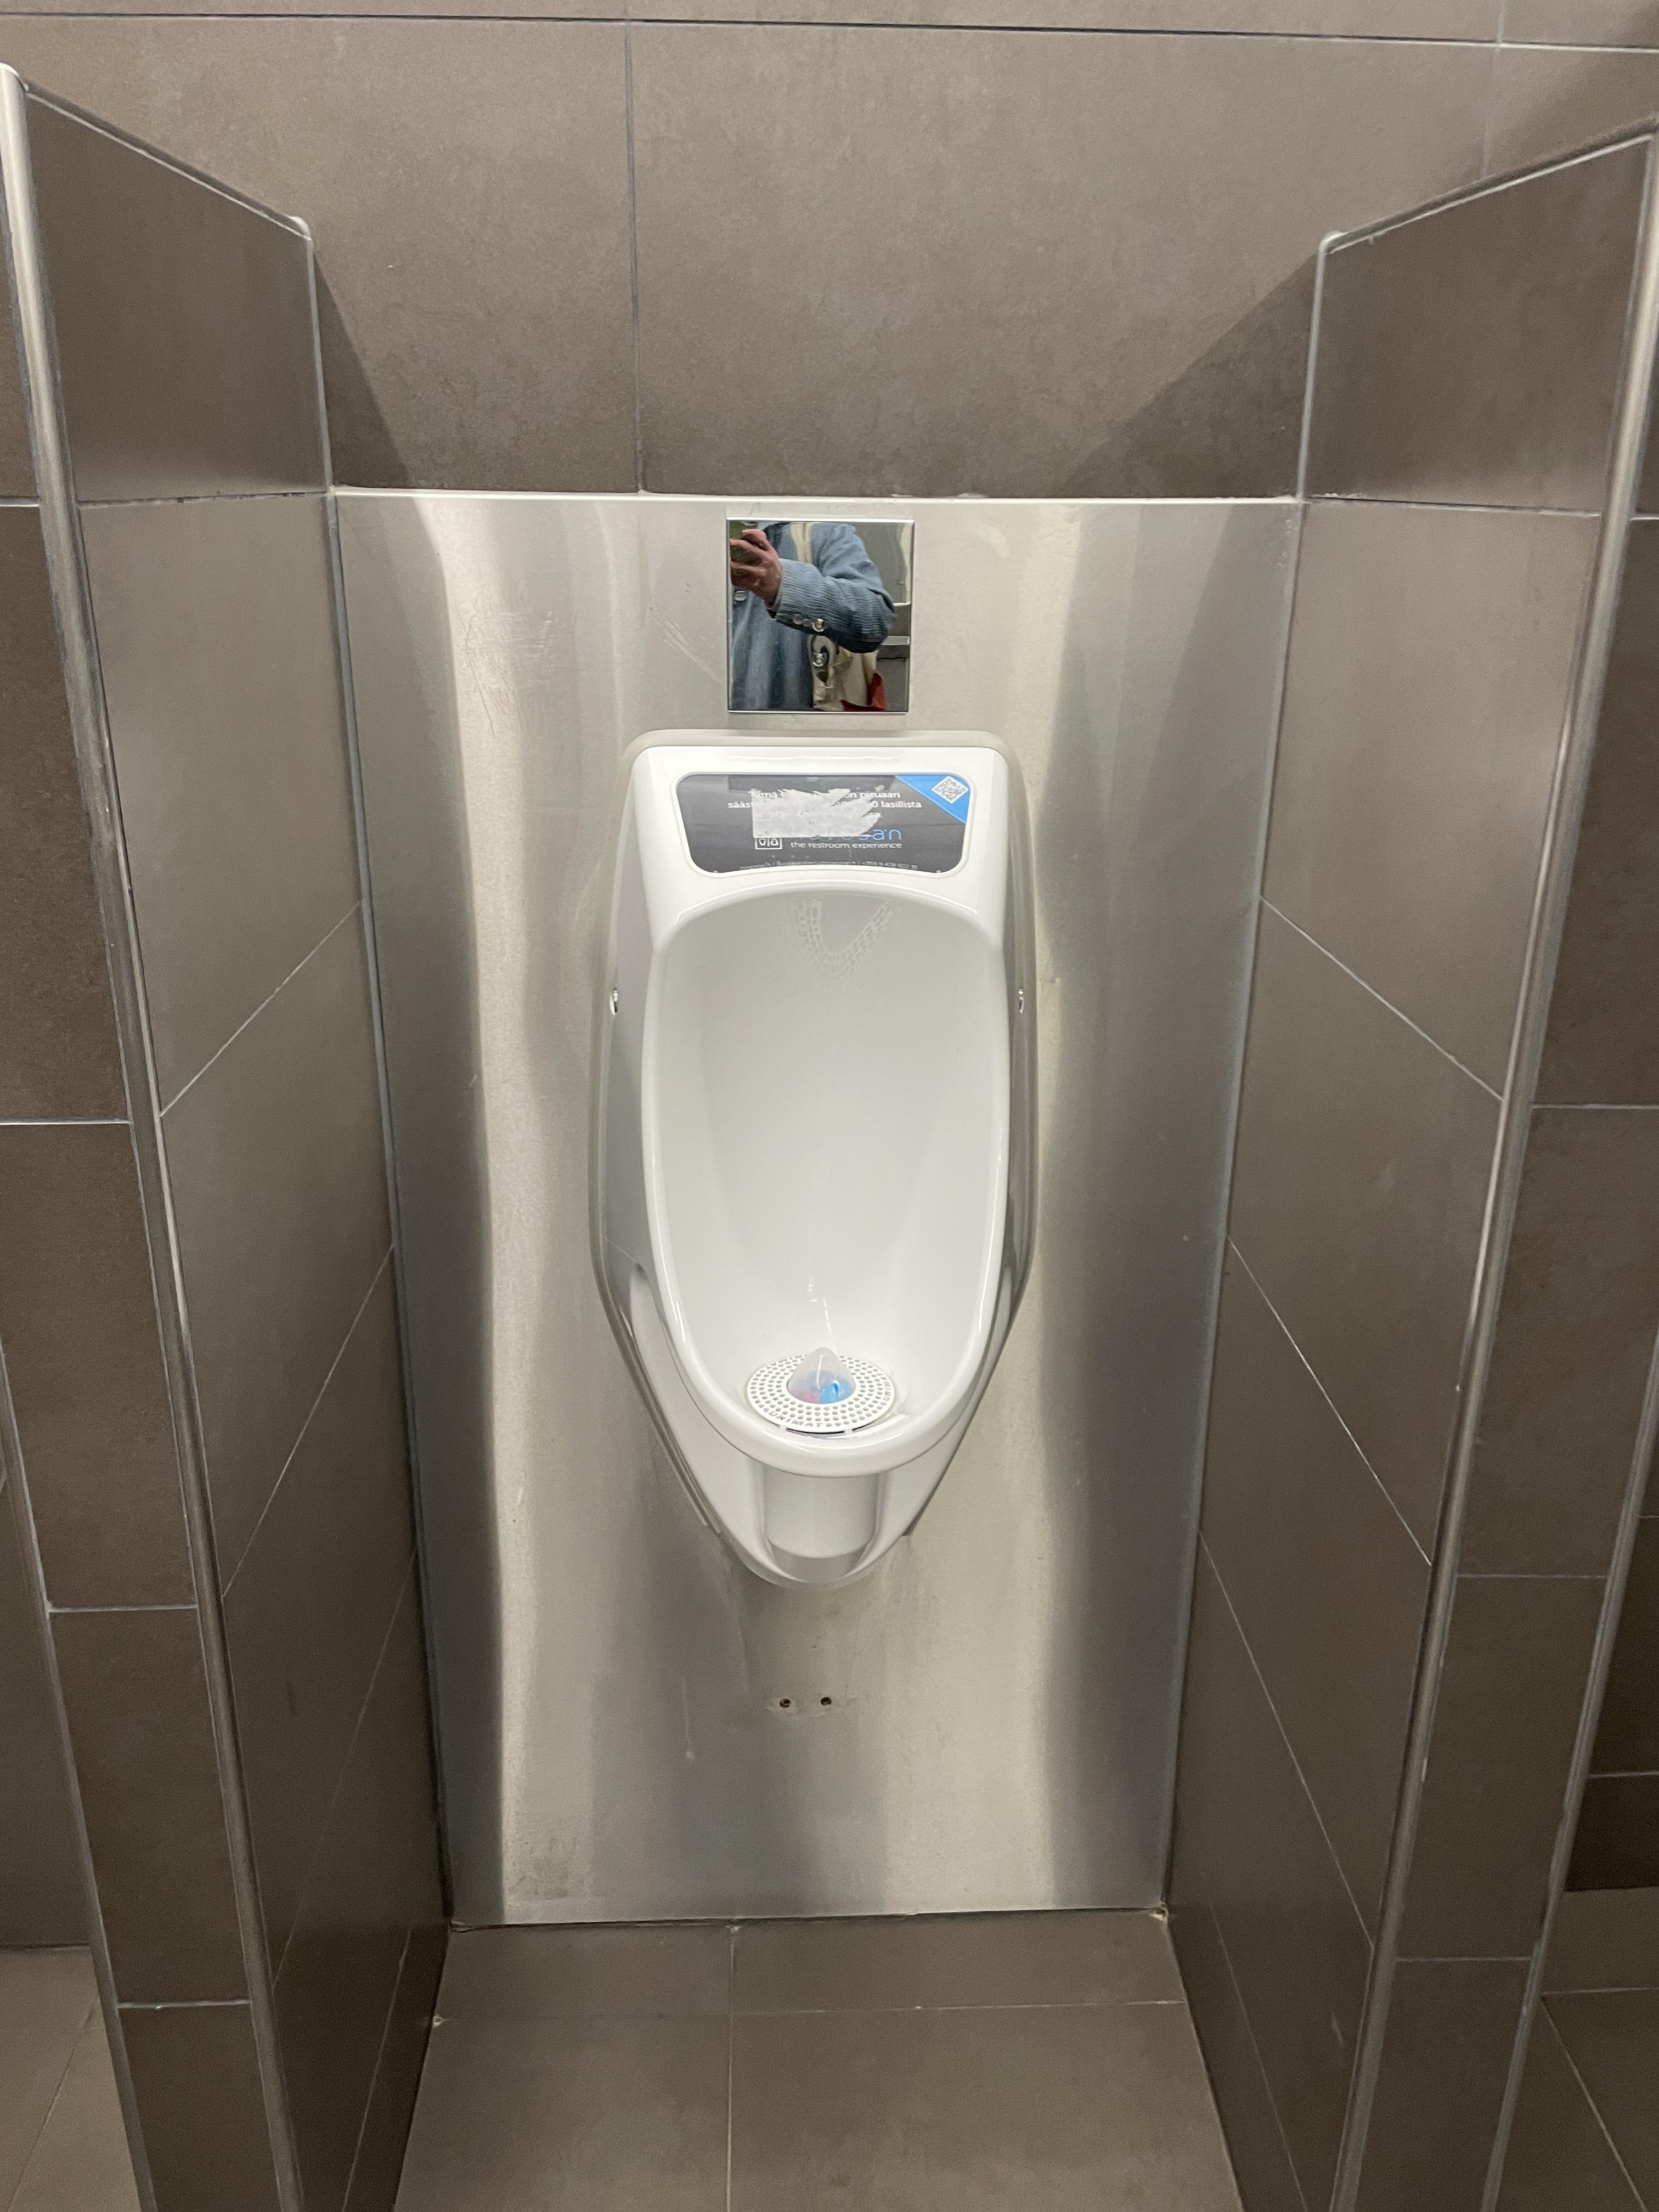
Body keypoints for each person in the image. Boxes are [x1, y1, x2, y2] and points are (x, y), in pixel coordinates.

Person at [729, 522, 895, 711]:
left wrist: (783, 584)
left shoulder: (822, 533)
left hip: (805, 723)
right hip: (710, 724)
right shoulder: (703, 538)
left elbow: (873, 620)